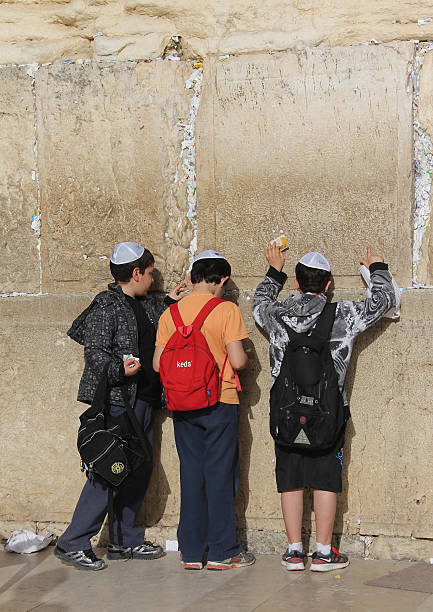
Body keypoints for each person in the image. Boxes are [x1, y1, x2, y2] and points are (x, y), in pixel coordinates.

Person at [252, 243, 398, 572]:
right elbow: (383, 301)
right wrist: (377, 268)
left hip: (286, 413)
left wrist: (275, 271)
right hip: (328, 414)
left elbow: (258, 303)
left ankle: (293, 552)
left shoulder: (276, 314)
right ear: (328, 285)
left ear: (297, 284)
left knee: (289, 477)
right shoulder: (342, 314)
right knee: (325, 479)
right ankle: (323, 552)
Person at [54, 241, 185, 571]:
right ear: (136, 272)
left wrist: (172, 302)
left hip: (142, 401)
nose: (154, 279)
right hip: (117, 404)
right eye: (151, 273)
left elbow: (154, 323)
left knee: (138, 471)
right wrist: (118, 369)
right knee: (108, 471)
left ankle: (124, 540)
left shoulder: (143, 303)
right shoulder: (107, 305)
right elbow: (95, 352)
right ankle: (72, 542)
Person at [153, 250, 255, 571]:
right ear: (221, 279)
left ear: (192, 278)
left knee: (192, 473)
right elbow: (237, 361)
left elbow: (158, 363)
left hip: (183, 403)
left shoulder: (170, 314)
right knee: (221, 475)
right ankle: (224, 550)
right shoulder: (227, 310)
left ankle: (192, 552)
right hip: (220, 400)